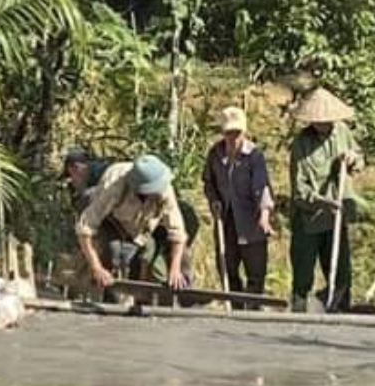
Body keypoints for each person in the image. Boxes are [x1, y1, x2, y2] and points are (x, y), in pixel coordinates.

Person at [289, 87, 364, 312]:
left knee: (341, 272)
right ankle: (300, 309)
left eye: (328, 120)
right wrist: (321, 201)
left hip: (337, 217)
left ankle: (340, 310)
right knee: (303, 272)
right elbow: (299, 189)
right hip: (309, 219)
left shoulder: (342, 132)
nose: (325, 124)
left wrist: (352, 160)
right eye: (319, 121)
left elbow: (359, 159)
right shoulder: (301, 144)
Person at [75, 154, 191, 293]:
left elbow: (178, 232)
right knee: (114, 253)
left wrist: (175, 269)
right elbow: (85, 228)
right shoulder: (114, 185)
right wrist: (96, 268)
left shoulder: (164, 188)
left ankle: (180, 294)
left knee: (166, 258)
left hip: (144, 225)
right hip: (111, 218)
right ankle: (97, 289)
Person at [203, 106, 274, 300]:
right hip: (226, 220)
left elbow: (262, 187)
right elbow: (209, 183)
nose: (233, 137)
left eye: (237, 132)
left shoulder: (254, 155)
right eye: (229, 133)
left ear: (244, 131)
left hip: (251, 220)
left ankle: (253, 310)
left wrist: (265, 216)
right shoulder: (215, 154)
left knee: (256, 272)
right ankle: (234, 307)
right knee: (227, 267)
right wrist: (214, 200)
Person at [61, 146, 110, 210]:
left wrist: (84, 192)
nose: (71, 178)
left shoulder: (103, 171)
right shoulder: (80, 180)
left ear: (76, 167)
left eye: (70, 174)